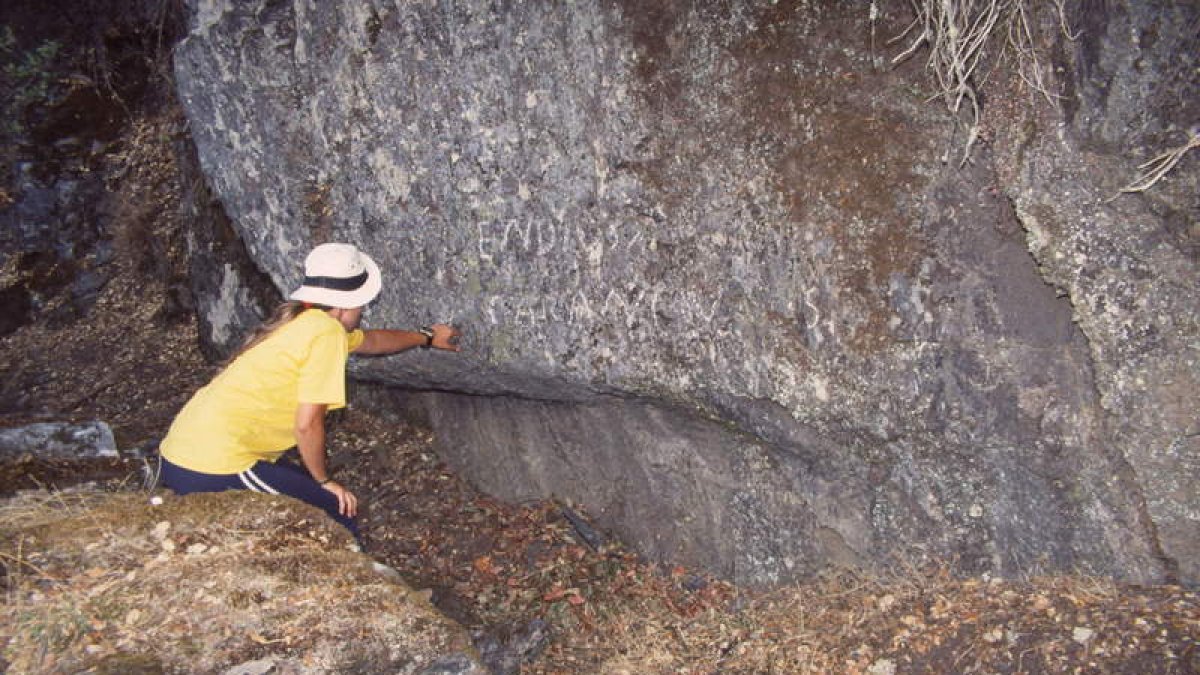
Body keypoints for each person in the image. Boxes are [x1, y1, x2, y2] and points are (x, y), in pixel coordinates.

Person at [158, 242, 460, 542]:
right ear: (345, 306)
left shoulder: (306, 320)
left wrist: (427, 337)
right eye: (362, 303)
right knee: (336, 510)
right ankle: (354, 582)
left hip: (184, 451)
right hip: (212, 465)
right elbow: (307, 424)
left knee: (307, 497)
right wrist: (324, 481)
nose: (363, 309)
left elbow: (372, 341)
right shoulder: (325, 335)